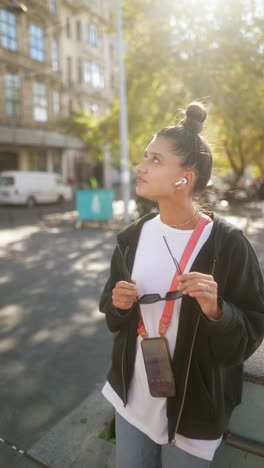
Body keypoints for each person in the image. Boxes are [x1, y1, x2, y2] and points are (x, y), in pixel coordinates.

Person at [99, 102, 264, 468]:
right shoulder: (131, 238)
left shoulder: (228, 245)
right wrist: (119, 305)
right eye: (144, 157)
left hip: (194, 411)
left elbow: (252, 328)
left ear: (184, 177)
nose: (140, 167)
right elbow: (112, 319)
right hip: (132, 399)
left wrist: (217, 312)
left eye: (155, 160)